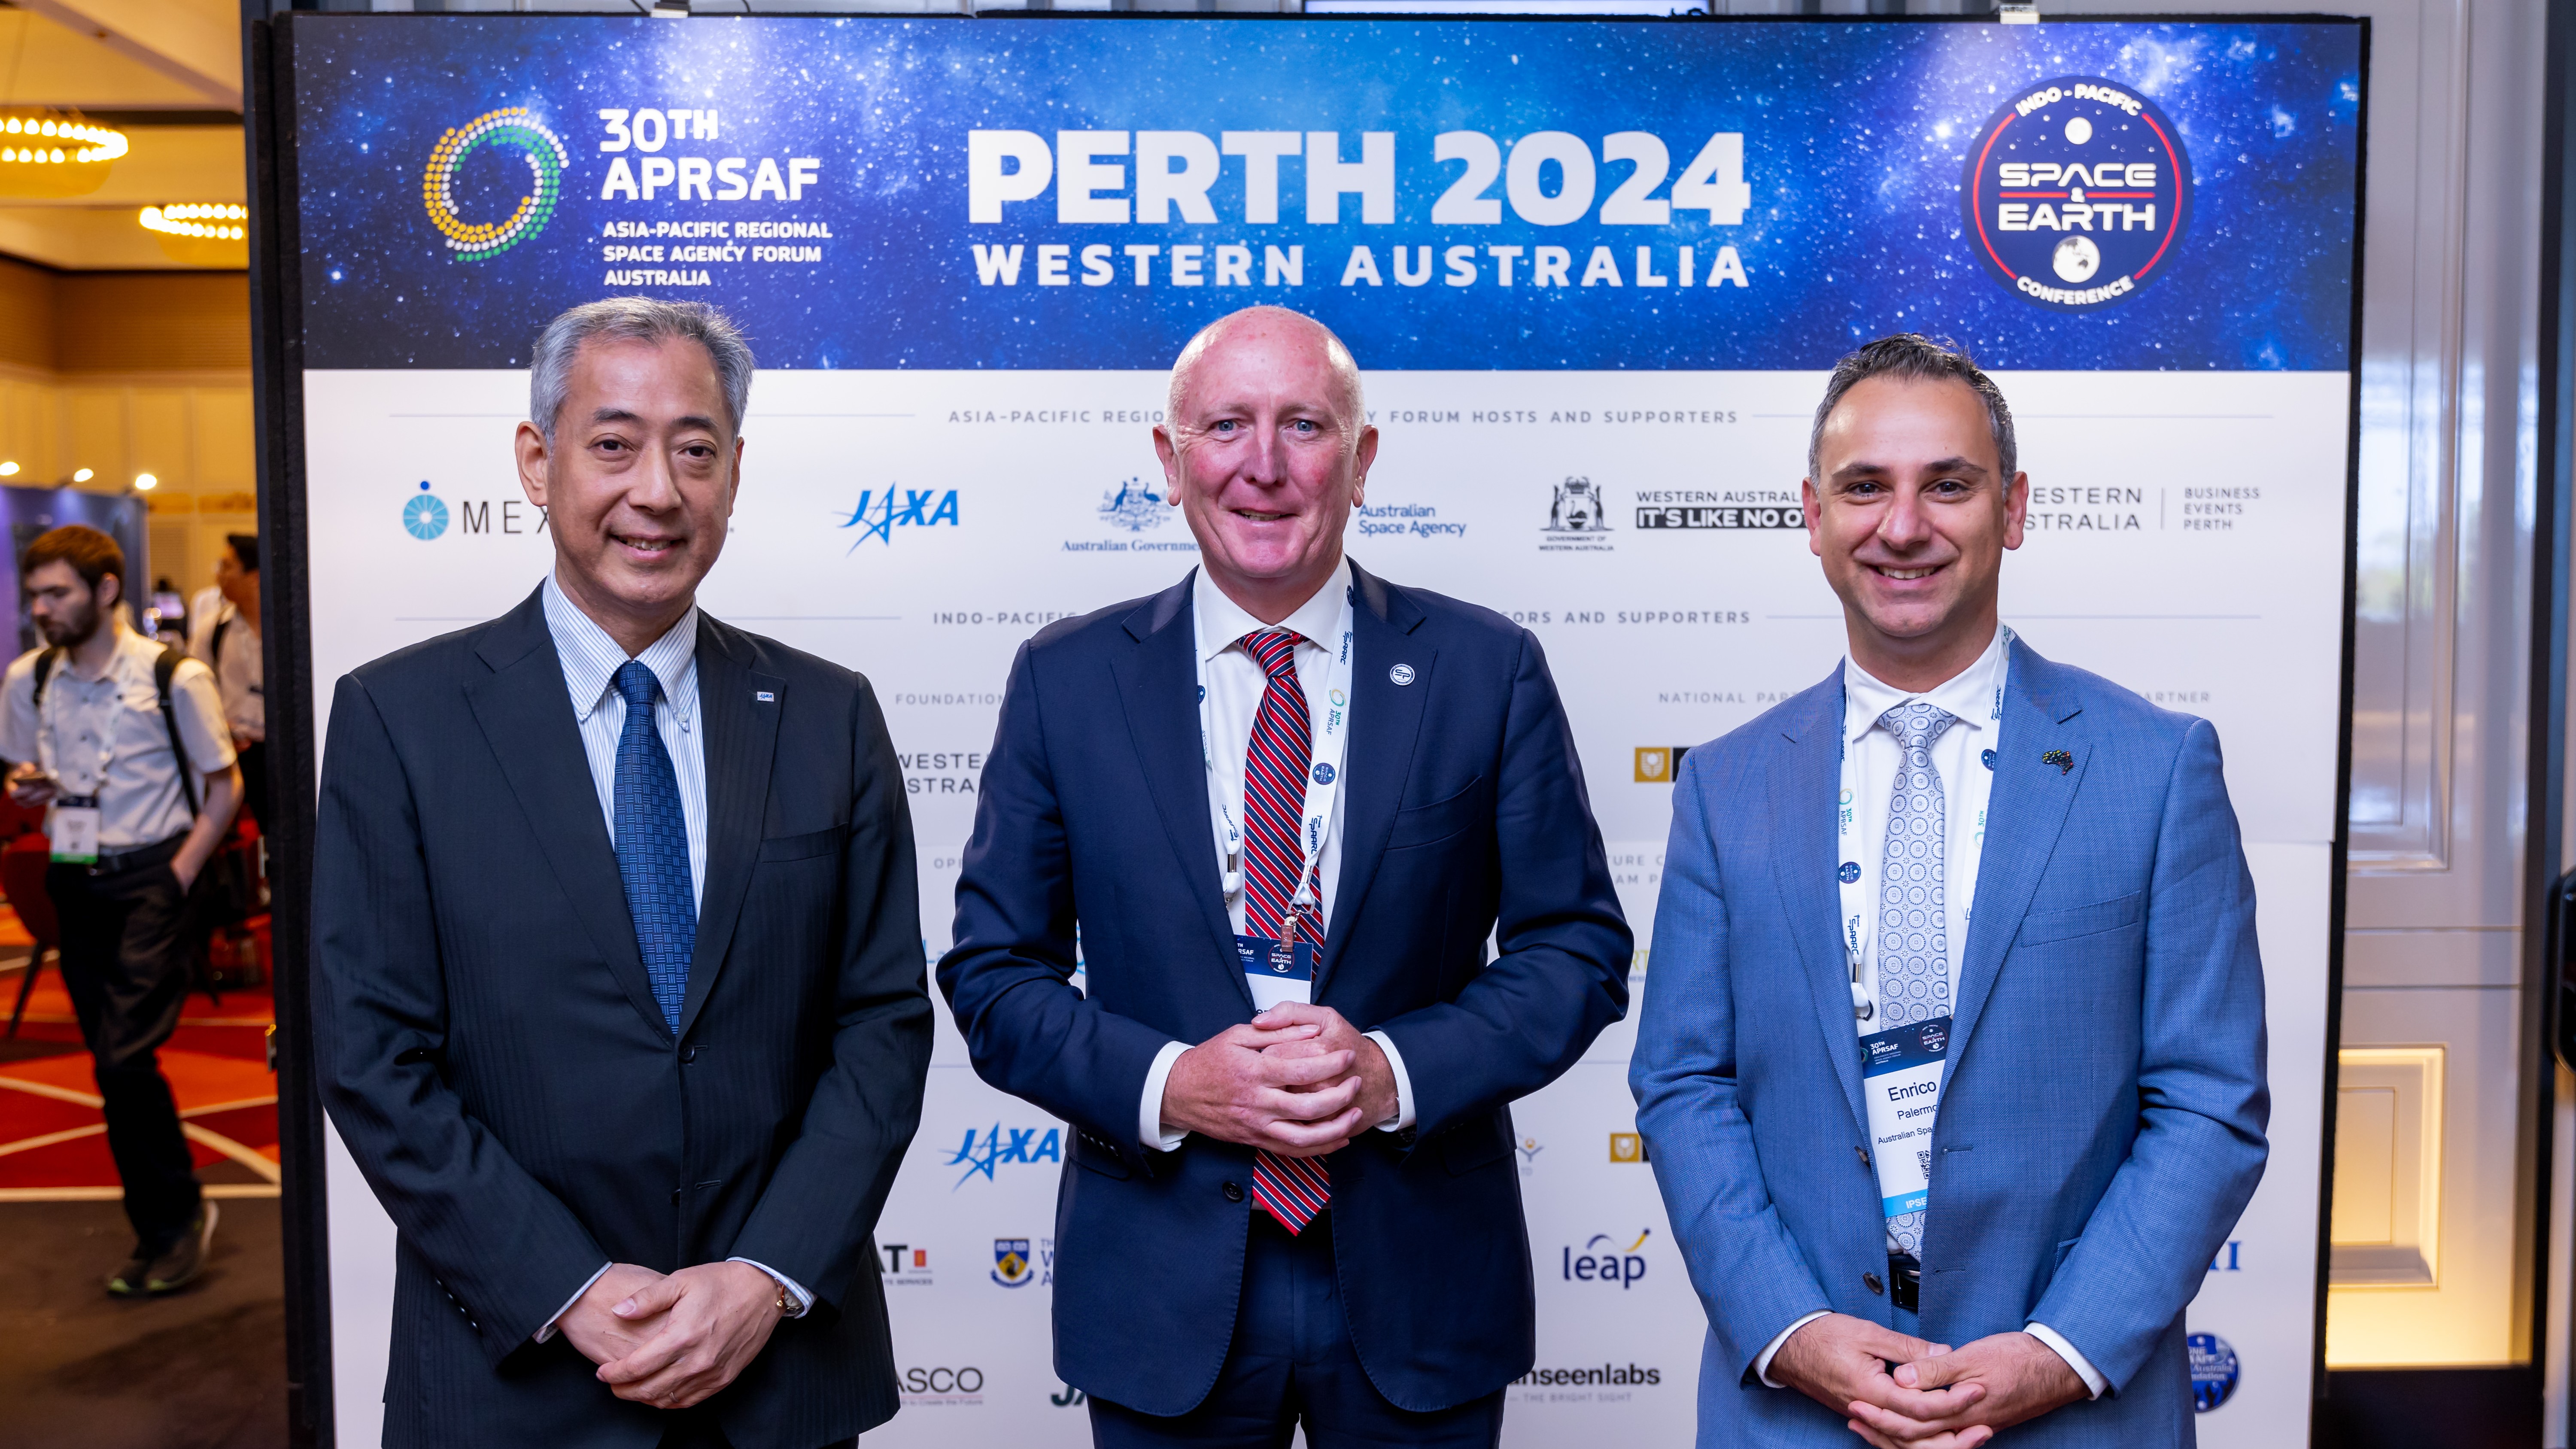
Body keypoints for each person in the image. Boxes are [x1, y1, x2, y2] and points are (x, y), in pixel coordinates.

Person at [939, 304, 1632, 1448]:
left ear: (1361, 460)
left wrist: (1390, 1071)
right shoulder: (1067, 679)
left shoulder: (1485, 668)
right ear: (1170, 461)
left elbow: (1577, 949)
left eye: (1304, 425)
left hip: (1420, 1272)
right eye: (1226, 425)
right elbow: (994, 974)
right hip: (1161, 1279)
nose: (1262, 464)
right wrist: (1174, 1082)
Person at [311, 298, 932, 1449]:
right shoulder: (399, 719)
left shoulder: (828, 715)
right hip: (514, 1379)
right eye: (613, 443)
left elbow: (882, 1021)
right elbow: (369, 1052)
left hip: (779, 1381)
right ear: (535, 460)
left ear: (734, 474)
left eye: (695, 450)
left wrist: (766, 1275)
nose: (657, 490)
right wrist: (569, 1286)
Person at [1630, 334, 2269, 1448]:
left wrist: (2060, 1348)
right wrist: (1792, 1327)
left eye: (1949, 484)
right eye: (1864, 486)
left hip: (2072, 1409)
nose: (1903, 525)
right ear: (1813, 516)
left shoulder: (2157, 768)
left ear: (2012, 508)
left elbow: (2210, 1098)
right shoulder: (1727, 786)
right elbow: (1686, 1083)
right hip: (1800, 1411)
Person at [0, 525, 240, 1296]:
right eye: (35, 595)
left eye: (57, 593)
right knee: (112, 1062)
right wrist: (28, 786)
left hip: (152, 881)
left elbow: (225, 786)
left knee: (121, 1058)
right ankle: (164, 1221)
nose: (42, 608)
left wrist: (178, 875)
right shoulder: (30, 677)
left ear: (106, 590)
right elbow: (21, 773)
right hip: (74, 877)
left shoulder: (174, 675)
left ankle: (172, 1223)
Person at [185, 533, 264, 832]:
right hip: (234, 754)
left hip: (286, 752)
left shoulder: (293, 626)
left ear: (255, 577)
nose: (219, 575)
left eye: (228, 566)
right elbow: (196, 694)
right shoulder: (212, 630)